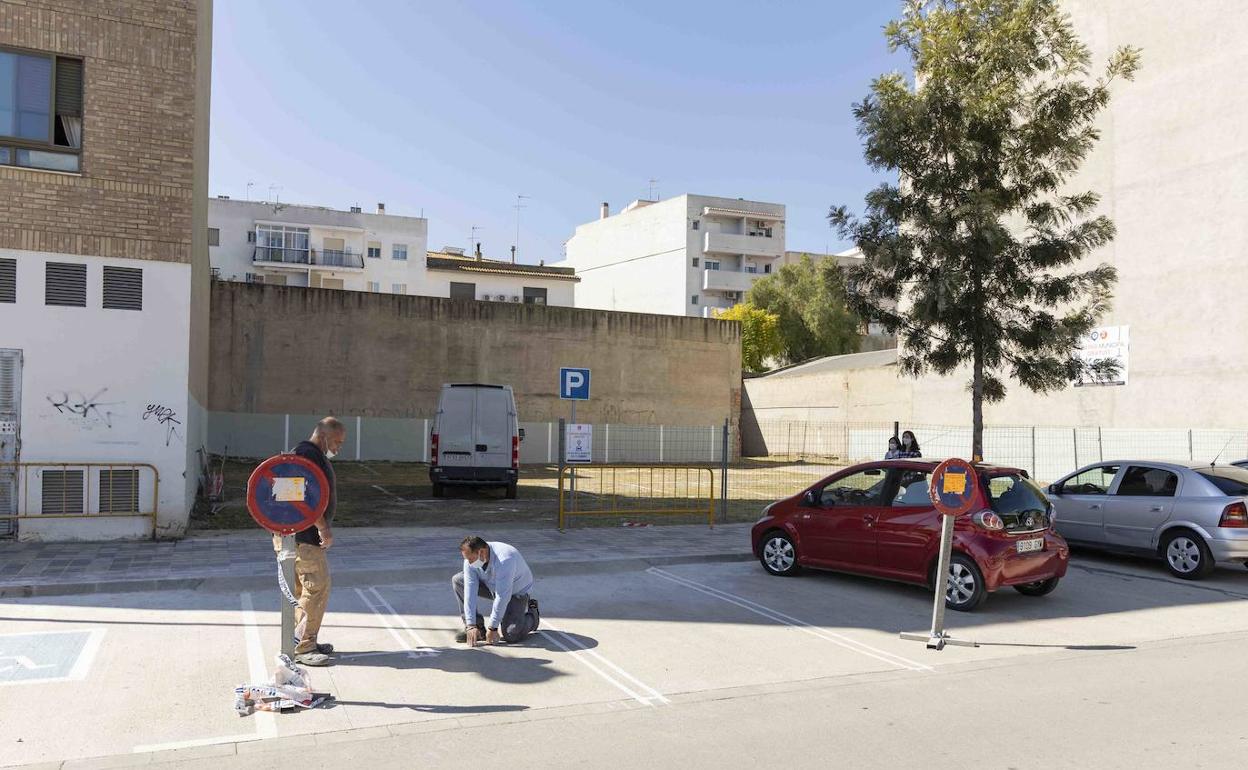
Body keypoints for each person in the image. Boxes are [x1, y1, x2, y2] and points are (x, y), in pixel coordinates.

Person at [274, 416, 345, 667]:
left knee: (303, 591)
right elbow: (298, 496)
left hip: (296, 535)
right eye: (337, 441)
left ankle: (303, 640)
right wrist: (323, 527)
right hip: (303, 537)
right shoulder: (307, 454)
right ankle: (303, 647)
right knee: (316, 588)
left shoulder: (306, 453)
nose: (338, 447)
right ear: (324, 435)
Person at [452, 536, 541, 646]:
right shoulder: (470, 561)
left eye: (470, 559)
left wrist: (493, 627)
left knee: (511, 634)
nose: (468, 563)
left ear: (482, 552)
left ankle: (533, 616)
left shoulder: (505, 559)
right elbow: (470, 592)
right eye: (466, 559)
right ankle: (478, 630)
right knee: (458, 580)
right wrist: (471, 625)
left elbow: (502, 596)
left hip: (515, 592)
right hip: (492, 586)